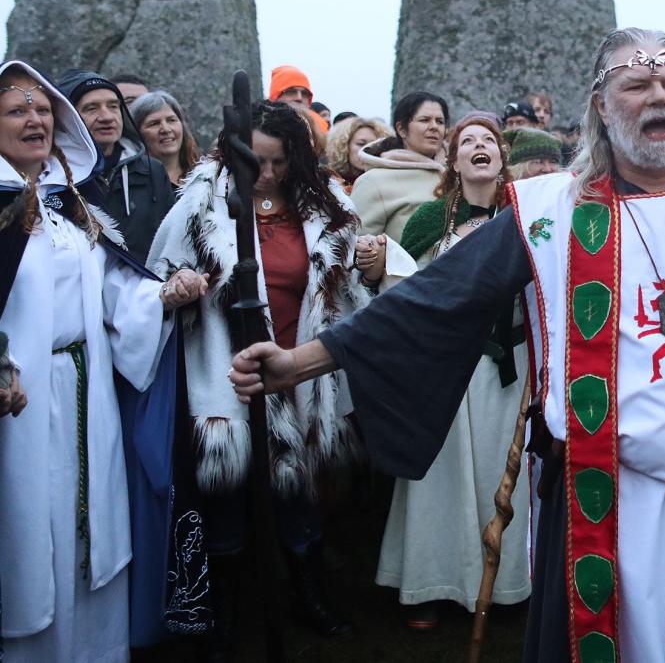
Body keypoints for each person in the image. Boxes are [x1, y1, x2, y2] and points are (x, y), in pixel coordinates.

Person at [230, 27, 665, 662]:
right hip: (604, 507)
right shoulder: (546, 212)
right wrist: (296, 365)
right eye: (637, 84)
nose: (659, 96)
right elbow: (433, 298)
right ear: (602, 108)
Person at [148, 99, 381, 651]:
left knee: (299, 491)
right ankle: (228, 607)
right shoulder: (201, 201)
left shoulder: (324, 202)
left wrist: (368, 261)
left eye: (279, 162)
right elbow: (160, 269)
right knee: (227, 491)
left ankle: (308, 594)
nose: (268, 173)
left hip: (301, 366)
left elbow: (348, 282)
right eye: (258, 162)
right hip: (225, 365)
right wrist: (180, 280)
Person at [0, 60, 208, 662]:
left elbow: (114, 288)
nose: (35, 119)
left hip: (85, 397)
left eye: (42, 110)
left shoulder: (69, 211)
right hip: (22, 404)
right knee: (28, 527)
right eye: (18, 111)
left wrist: (161, 295)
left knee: (89, 532)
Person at [370, 115, 531, 628]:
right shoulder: (429, 220)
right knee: (444, 478)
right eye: (468, 143)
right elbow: (403, 291)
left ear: (502, 158)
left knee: (507, 477)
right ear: (453, 160)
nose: (480, 147)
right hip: (449, 368)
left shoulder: (529, 216)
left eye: (489, 141)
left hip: (514, 367)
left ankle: (506, 586)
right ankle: (433, 585)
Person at [57, 70, 177, 261]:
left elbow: (173, 239)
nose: (106, 116)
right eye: (91, 108)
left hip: (148, 286)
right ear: (68, 117)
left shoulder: (151, 170)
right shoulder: (54, 175)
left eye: (113, 106)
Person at [349, 91, 447, 242]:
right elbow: (355, 247)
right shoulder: (373, 181)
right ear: (401, 129)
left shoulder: (455, 176)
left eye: (440, 121)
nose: (434, 127)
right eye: (424, 120)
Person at [130, 90, 201, 188]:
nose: (166, 129)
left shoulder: (204, 176)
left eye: (171, 120)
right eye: (154, 123)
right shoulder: (129, 184)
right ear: (137, 132)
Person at [324, 115, 393, 192]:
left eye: (374, 144)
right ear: (344, 146)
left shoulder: (386, 182)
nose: (367, 149)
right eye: (361, 144)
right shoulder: (328, 182)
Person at [269, 64, 328, 135]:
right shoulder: (259, 127)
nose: (299, 98)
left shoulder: (321, 128)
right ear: (275, 97)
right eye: (291, 92)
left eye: (304, 93)